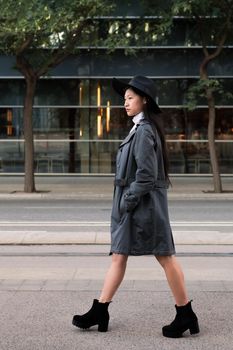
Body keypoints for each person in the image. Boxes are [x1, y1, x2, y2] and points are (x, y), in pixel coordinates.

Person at [72, 76, 200, 338]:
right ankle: (100, 309)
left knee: (164, 255)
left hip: (142, 206)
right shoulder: (139, 128)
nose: (125, 103)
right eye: (125, 99)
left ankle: (185, 313)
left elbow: (146, 175)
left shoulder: (143, 131)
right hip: (136, 205)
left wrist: (127, 200)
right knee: (119, 254)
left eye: (130, 98)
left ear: (145, 100)